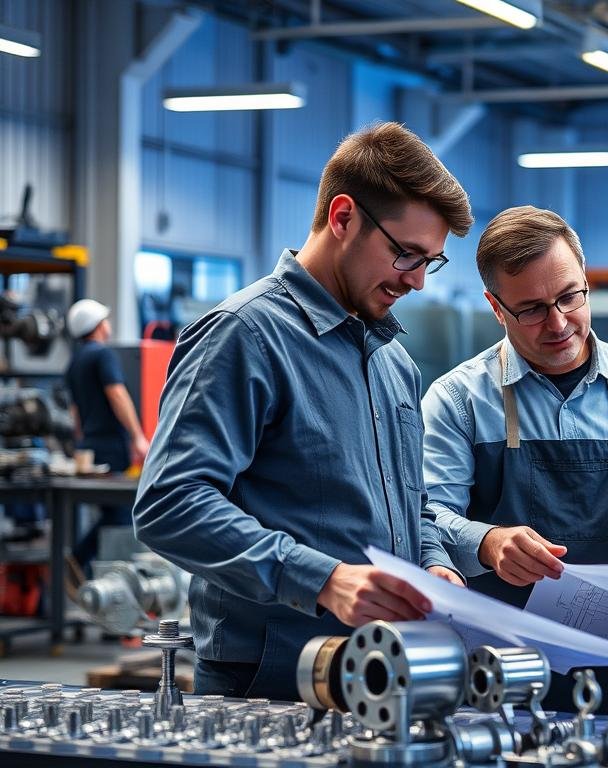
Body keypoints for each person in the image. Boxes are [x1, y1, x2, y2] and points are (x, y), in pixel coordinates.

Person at [134, 123, 471, 701]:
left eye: (429, 262)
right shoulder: (244, 336)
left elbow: (411, 504)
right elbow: (171, 504)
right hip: (269, 675)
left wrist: (435, 564)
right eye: (406, 254)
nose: (416, 281)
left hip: (381, 669)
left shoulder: (392, 361)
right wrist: (323, 580)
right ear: (343, 218)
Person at [421, 205, 608, 712]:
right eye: (532, 309)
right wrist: (487, 541)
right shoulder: (458, 401)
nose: (558, 323)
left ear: (587, 283)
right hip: (504, 676)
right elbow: (425, 517)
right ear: (496, 308)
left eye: (569, 297)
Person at [63, 299, 150, 568]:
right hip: (112, 446)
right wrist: (137, 435)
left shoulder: (75, 362)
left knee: (113, 512)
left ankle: (83, 567)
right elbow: (117, 393)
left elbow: (75, 411)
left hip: (90, 446)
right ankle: (80, 562)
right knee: (121, 512)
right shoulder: (102, 355)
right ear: (99, 325)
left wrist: (81, 443)